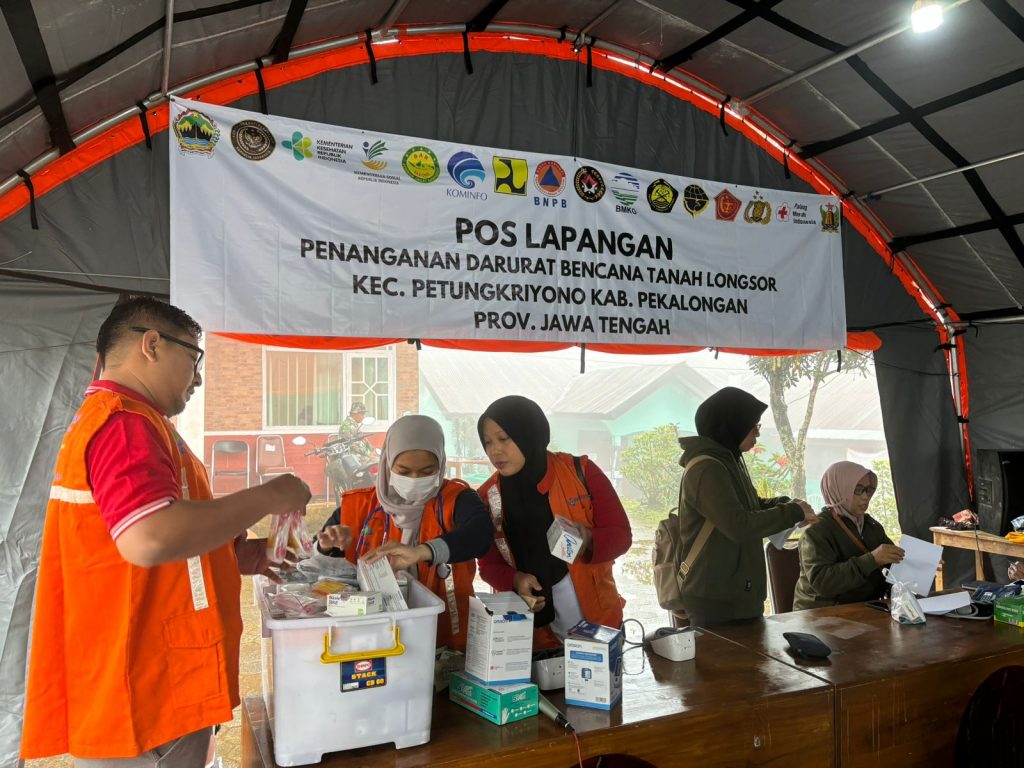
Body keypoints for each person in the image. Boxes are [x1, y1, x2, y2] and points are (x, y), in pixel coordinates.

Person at [20, 297, 311, 767]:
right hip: (142, 684)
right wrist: (268, 496)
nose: (198, 378)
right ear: (151, 345)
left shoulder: (146, 424)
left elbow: (179, 542)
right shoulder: (124, 423)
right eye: (194, 359)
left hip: (159, 680)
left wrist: (252, 555)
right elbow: (149, 536)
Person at [317, 415, 492, 651]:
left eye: (427, 471)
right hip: (370, 639)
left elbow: (480, 536)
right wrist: (328, 546)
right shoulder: (359, 506)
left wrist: (423, 551)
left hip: (445, 640)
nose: (415, 479)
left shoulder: (457, 499)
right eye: (404, 471)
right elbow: (318, 560)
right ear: (388, 464)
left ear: (441, 464)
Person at [476, 396, 632, 648]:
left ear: (530, 433)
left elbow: (622, 536)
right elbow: (488, 565)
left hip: (597, 627)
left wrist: (587, 539)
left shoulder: (581, 472)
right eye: (488, 442)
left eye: (504, 438)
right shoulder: (488, 496)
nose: (495, 450)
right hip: (531, 637)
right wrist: (515, 580)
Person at [676, 387, 817, 628]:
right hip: (716, 598)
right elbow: (739, 525)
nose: (757, 434)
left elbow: (752, 507)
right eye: (754, 427)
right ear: (732, 425)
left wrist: (785, 504)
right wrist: (792, 513)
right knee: (723, 665)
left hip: (738, 595)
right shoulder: (706, 469)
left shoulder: (728, 460)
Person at [793, 461, 905, 610]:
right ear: (839, 489)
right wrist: (872, 559)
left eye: (868, 490)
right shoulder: (816, 531)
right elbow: (824, 583)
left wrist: (917, 563)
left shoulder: (872, 526)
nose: (865, 497)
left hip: (864, 609)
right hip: (821, 614)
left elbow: (889, 564)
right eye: (857, 490)